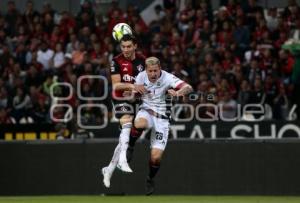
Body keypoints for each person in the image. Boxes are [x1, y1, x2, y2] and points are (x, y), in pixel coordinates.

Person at [134, 56, 193, 195]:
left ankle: (150, 178)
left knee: (156, 157)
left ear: (160, 68)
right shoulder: (140, 77)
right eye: (150, 71)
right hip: (147, 111)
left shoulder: (168, 78)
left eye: (155, 70)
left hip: (162, 120)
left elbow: (188, 88)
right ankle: (130, 146)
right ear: (146, 71)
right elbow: (133, 96)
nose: (153, 74)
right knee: (140, 123)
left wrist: (178, 93)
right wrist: (134, 93)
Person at [101, 34, 147, 187]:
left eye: (128, 46)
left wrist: (136, 92)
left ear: (135, 46)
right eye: (123, 47)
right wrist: (133, 87)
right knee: (126, 124)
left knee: (125, 137)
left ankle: (109, 169)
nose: (126, 50)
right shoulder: (116, 61)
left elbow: (147, 85)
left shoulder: (143, 61)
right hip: (120, 98)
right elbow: (116, 85)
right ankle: (122, 160)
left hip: (136, 100)